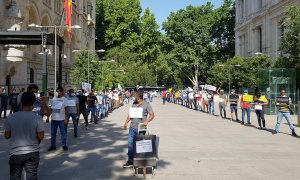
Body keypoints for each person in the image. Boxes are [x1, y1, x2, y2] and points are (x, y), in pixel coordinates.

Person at [4, 92, 45, 180]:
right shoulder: (37, 118)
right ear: (33, 103)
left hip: (15, 153)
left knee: (14, 177)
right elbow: (41, 137)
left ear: (21, 103)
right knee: (31, 177)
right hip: (32, 152)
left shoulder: (11, 117)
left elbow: (7, 136)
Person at [123, 90, 155, 168]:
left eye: (135, 95)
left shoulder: (146, 104)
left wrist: (147, 121)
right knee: (130, 145)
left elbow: (152, 115)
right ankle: (130, 161)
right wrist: (126, 122)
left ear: (139, 96)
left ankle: (140, 162)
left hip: (141, 128)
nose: (134, 96)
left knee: (140, 146)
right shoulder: (134, 103)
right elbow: (130, 114)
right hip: (132, 127)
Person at [48, 87, 69, 151]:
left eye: (60, 91)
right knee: (53, 133)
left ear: (62, 92)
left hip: (62, 119)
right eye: (57, 91)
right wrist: (48, 117)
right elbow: (50, 109)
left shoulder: (65, 99)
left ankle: (64, 145)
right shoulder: (53, 99)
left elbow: (66, 110)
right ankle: (53, 145)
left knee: (63, 133)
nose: (58, 92)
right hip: (54, 119)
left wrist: (66, 119)